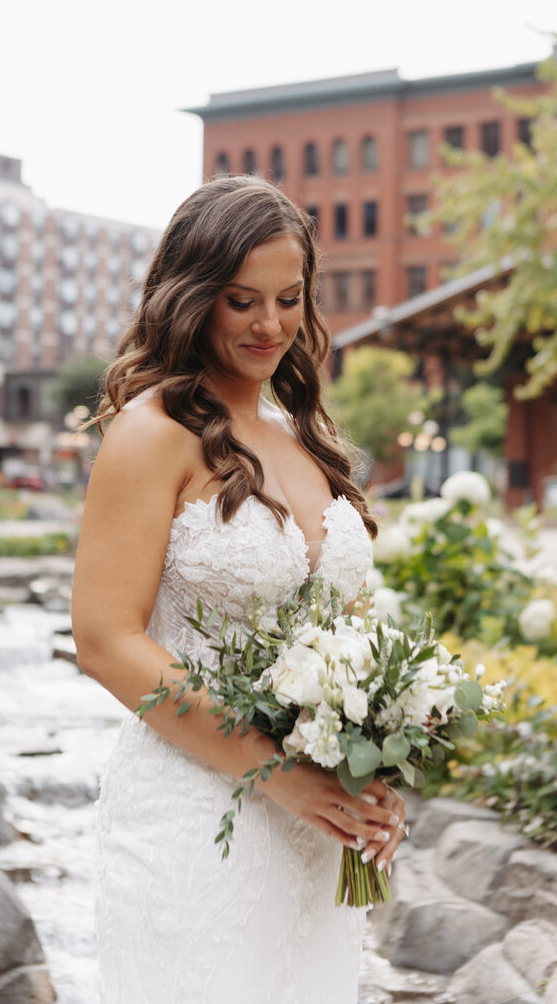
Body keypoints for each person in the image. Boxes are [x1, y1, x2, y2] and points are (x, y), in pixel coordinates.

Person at [71, 175, 406, 1004]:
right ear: (191, 298)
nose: (270, 325)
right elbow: (106, 641)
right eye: (240, 301)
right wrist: (273, 772)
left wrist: (372, 772)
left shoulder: (307, 440)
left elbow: (348, 645)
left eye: (289, 299)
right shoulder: (152, 434)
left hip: (314, 832)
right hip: (195, 824)